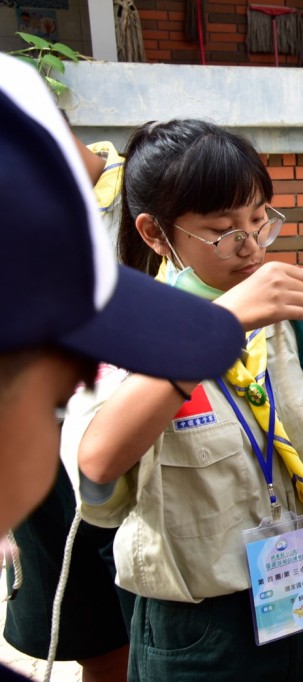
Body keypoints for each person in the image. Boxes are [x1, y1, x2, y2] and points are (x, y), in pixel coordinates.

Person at [59, 118, 303, 681]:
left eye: (259, 220)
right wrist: (218, 326)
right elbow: (98, 466)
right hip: (206, 634)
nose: (251, 247)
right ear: (156, 235)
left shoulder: (295, 316)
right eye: (223, 230)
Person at [0, 56, 243, 681]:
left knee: (132, 609)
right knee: (93, 631)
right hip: (68, 443)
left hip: (131, 432)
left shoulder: (143, 185)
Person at [4, 136, 132, 682]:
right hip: (40, 445)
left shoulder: (147, 183)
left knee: (165, 619)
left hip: (146, 433)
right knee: (95, 640)